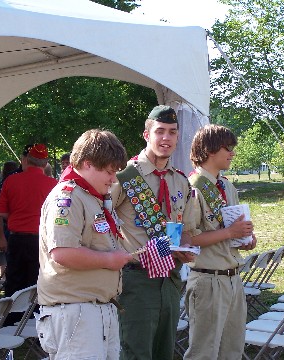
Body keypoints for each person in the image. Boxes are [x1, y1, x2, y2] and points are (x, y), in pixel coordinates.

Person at [37, 130, 133, 360]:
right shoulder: (68, 197)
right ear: (87, 164)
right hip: (76, 313)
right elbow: (62, 252)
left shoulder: (91, 197)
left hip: (96, 309)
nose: (113, 179)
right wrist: (110, 260)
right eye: (109, 171)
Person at [111, 105, 196, 360]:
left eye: (172, 132)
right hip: (137, 279)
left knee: (164, 352)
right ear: (147, 134)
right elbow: (100, 219)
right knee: (137, 352)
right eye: (160, 131)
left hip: (170, 277)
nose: (166, 138)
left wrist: (186, 249)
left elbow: (185, 230)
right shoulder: (125, 176)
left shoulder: (180, 180)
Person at [185, 124, 257, 360]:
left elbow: (233, 229)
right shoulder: (193, 187)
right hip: (208, 279)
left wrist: (245, 237)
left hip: (233, 277)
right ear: (210, 150)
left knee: (232, 351)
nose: (232, 153)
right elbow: (187, 239)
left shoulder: (225, 185)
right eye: (228, 148)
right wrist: (229, 233)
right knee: (203, 352)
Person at [0, 143, 57, 323]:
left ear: (24, 160)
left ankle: (12, 322)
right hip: (42, 241)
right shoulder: (53, 184)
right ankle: (38, 322)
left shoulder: (11, 181)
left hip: (17, 239)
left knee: (15, 281)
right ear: (45, 163)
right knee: (40, 282)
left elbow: (1, 213)